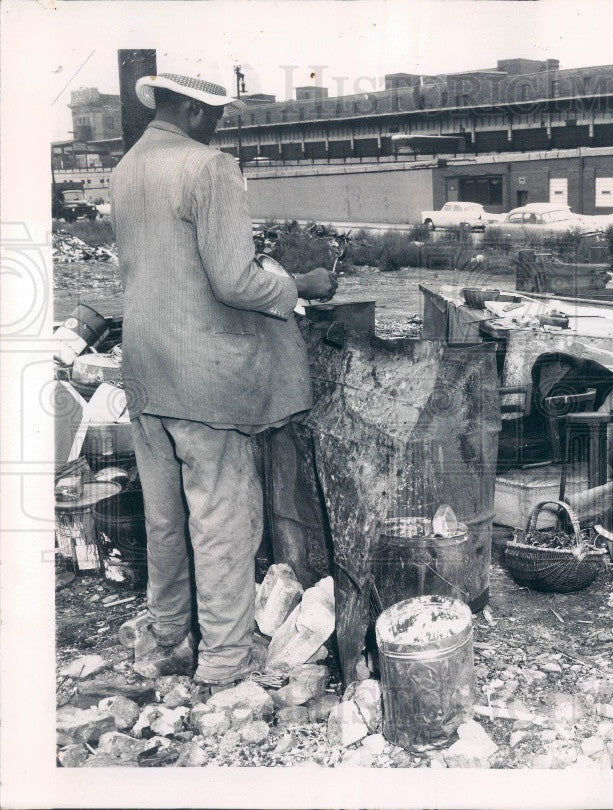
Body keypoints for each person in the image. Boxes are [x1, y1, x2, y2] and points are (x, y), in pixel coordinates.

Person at [109, 72, 334, 688]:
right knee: (221, 519)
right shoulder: (208, 168)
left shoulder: (126, 168)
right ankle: (226, 661)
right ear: (185, 106)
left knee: (165, 517)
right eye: (214, 114)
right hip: (204, 378)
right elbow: (235, 281)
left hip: (146, 368)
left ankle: (167, 637)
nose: (220, 125)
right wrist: (299, 285)